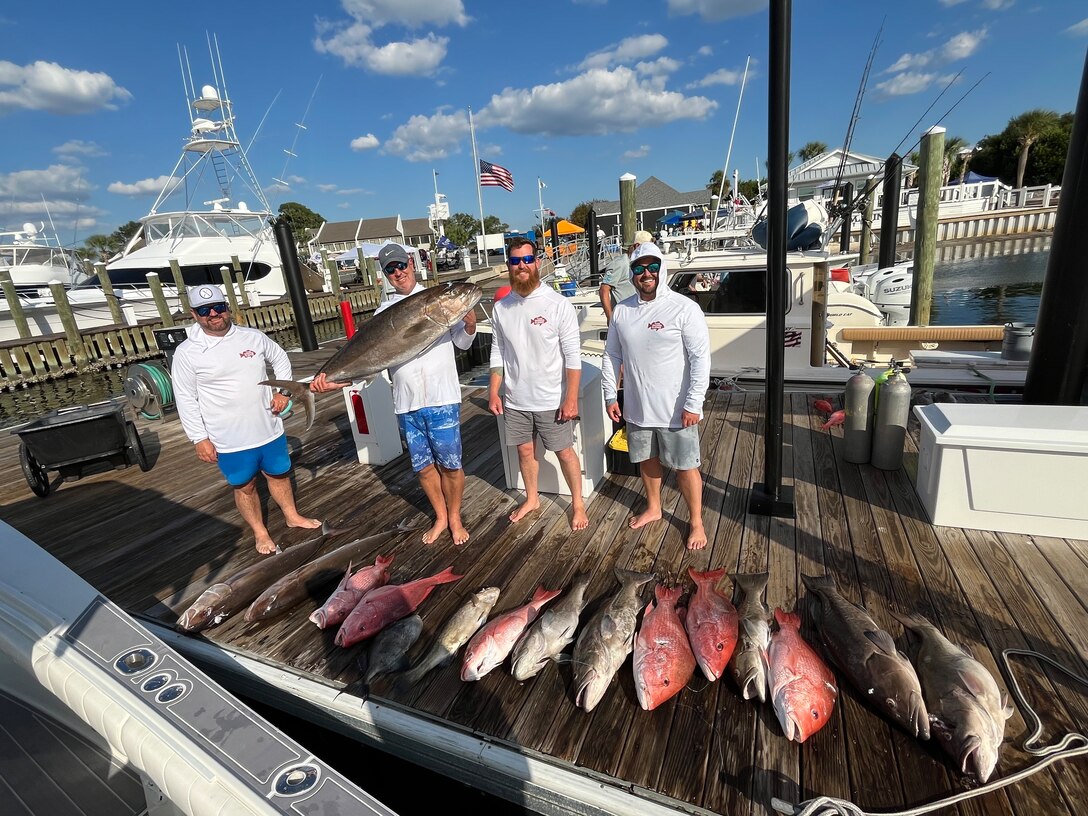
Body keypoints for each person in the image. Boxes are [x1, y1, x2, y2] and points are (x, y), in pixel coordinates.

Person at [311, 244, 476, 546]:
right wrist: (334, 381)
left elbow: (463, 344)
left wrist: (470, 322)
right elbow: (370, 362)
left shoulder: (437, 300)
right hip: (406, 402)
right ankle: (440, 517)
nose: (398, 272)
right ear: (385, 275)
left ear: (411, 263)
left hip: (442, 398)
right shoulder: (383, 312)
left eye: (401, 264)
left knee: (451, 465)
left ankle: (454, 518)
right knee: (423, 468)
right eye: (391, 269)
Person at [172, 284, 322, 555]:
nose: (213, 314)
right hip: (228, 438)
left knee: (279, 474)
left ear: (227, 307)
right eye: (205, 310)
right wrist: (199, 438)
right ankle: (260, 532)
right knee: (245, 486)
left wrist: (284, 392)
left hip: (269, 428)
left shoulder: (252, 337)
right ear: (194, 314)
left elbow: (280, 358)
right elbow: (184, 397)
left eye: (218, 307)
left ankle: (292, 515)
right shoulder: (187, 352)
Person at [601, 243, 711, 550]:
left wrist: (694, 403)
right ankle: (653, 507)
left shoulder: (684, 307)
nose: (646, 273)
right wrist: (610, 395)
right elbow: (611, 355)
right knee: (646, 459)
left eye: (652, 267)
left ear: (662, 269)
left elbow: (701, 358)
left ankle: (696, 522)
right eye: (639, 268)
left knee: (686, 466)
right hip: (637, 407)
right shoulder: (622, 310)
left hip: (677, 409)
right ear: (632, 274)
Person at [488, 238, 588, 531]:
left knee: (564, 451)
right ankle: (532, 499)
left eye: (527, 259)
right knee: (524, 451)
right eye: (515, 261)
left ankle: (578, 504)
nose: (522, 266)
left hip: (551, 399)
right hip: (515, 399)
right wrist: (493, 391)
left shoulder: (557, 303)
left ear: (538, 262)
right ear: (508, 265)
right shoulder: (501, 308)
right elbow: (498, 351)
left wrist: (570, 399)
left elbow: (573, 356)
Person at [598, 229, 650, 323]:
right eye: (648, 247)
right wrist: (610, 318)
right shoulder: (620, 263)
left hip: (640, 317)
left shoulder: (639, 265)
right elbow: (603, 290)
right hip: (624, 319)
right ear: (637, 246)